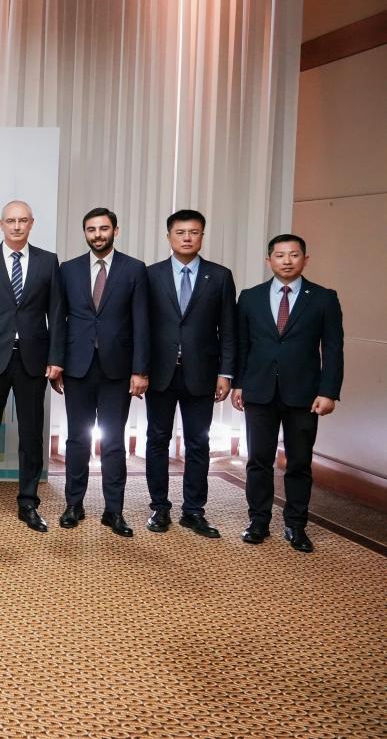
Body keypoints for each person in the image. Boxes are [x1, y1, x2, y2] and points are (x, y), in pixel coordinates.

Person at [232, 234, 343, 553]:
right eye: (280, 255)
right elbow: (242, 345)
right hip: (259, 390)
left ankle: (296, 525)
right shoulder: (250, 297)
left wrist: (329, 391)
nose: (287, 261)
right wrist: (239, 383)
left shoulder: (323, 298)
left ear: (305, 259)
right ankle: (258, 521)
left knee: (299, 462)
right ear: (269, 260)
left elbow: (333, 348)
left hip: (304, 394)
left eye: (294, 255)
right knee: (258, 460)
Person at [0, 199, 64, 532]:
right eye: (11, 221)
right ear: (1, 224)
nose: (17, 226)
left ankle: (28, 503)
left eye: (23, 220)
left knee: (31, 435)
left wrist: (56, 358)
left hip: (33, 360)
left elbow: (56, 314)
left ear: (32, 223)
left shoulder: (48, 262)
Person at [56, 207, 149, 537]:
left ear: (115, 231)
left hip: (118, 370)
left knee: (113, 442)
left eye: (104, 228)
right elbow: (59, 320)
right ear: (85, 233)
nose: (97, 235)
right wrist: (56, 364)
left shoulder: (134, 269)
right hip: (77, 367)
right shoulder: (68, 269)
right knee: (76, 440)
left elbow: (142, 323)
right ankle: (74, 504)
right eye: (91, 229)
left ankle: (114, 511)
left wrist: (140, 370)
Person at [143, 209, 236, 538]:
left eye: (193, 232)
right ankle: (159, 507)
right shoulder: (150, 275)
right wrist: (139, 370)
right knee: (157, 440)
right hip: (160, 372)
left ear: (202, 236)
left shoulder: (219, 276)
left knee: (198, 442)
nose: (186, 238)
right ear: (168, 236)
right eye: (180, 232)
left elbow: (228, 329)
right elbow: (141, 327)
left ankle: (194, 511)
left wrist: (226, 373)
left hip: (202, 373)